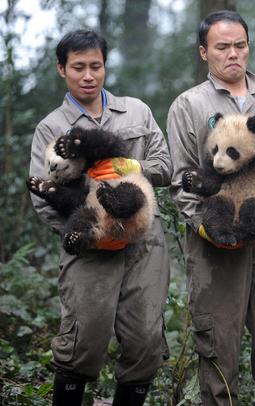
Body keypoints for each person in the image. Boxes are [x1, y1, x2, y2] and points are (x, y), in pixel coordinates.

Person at [28, 30, 171, 406]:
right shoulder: (52, 127)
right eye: (78, 67)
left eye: (96, 66)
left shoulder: (136, 112)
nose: (88, 75)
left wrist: (132, 165)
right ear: (62, 69)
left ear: (105, 66)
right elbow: (43, 199)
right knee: (83, 339)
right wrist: (91, 231)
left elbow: (166, 165)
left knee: (144, 338)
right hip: (90, 245)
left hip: (143, 241)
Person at [166, 10, 255, 405]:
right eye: (222, 47)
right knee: (219, 336)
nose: (233, 54)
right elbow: (182, 178)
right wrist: (204, 226)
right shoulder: (188, 105)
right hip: (215, 226)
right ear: (204, 52)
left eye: (240, 45)